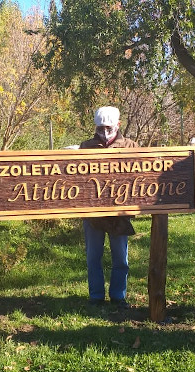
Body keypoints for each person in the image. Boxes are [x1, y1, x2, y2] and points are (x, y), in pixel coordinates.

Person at [80, 106, 138, 309]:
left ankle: (118, 296)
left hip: (120, 214)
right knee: (93, 257)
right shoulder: (86, 146)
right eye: (100, 128)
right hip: (93, 213)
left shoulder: (131, 146)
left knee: (120, 259)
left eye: (108, 128)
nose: (104, 133)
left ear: (118, 125)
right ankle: (96, 297)